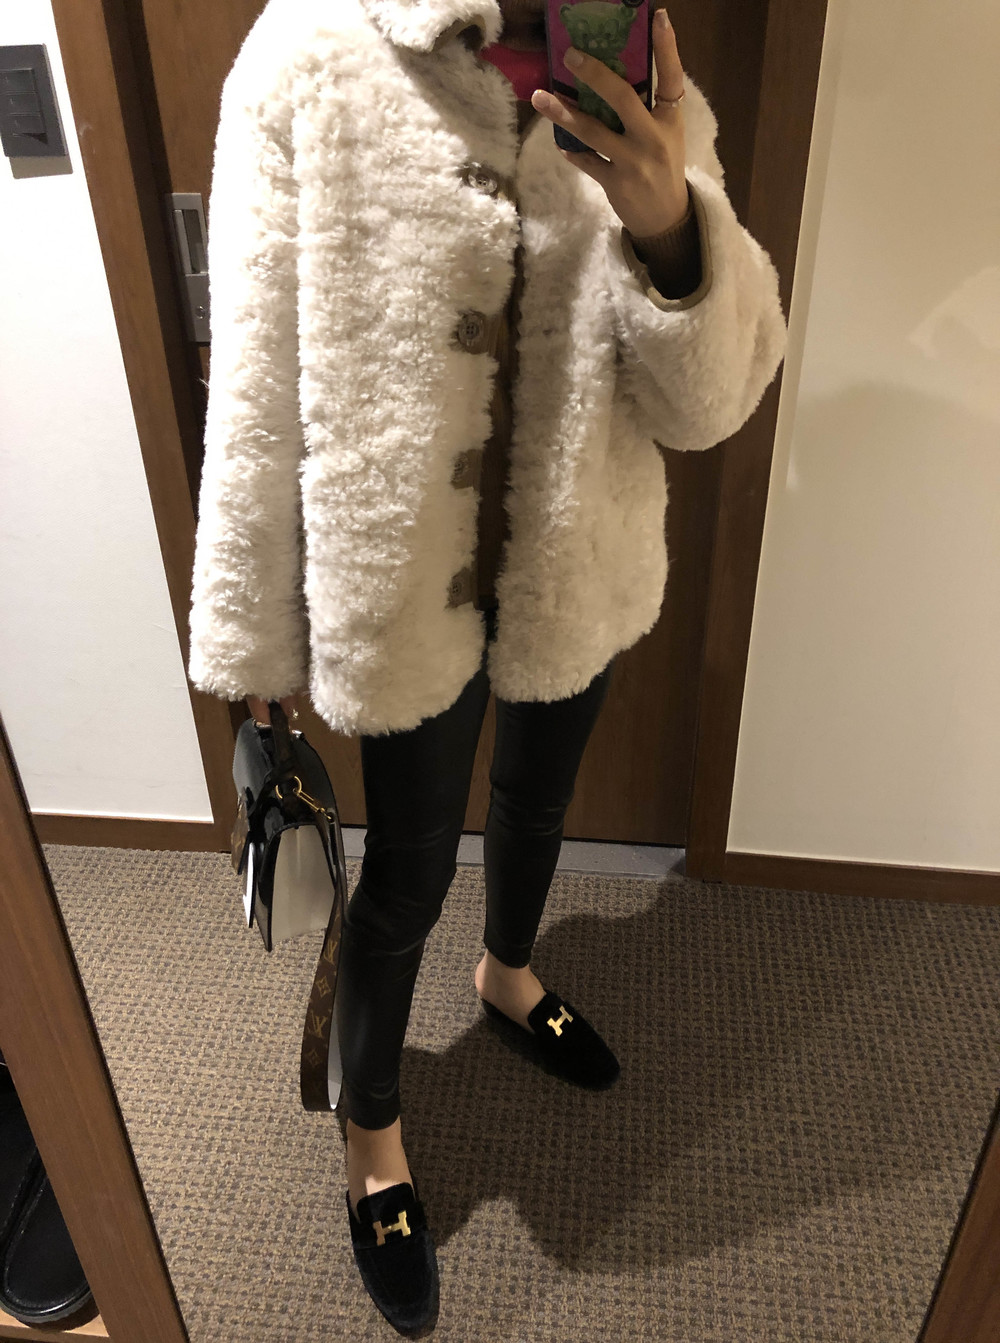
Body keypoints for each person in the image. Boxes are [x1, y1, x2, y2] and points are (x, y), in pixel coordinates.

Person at [188, 0, 786, 1331]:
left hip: (577, 559)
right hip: (404, 585)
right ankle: (372, 1134)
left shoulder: (636, 73)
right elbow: (255, 381)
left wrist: (670, 225)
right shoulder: (309, 49)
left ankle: (509, 974)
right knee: (404, 875)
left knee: (538, 805)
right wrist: (254, 635)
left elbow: (707, 406)